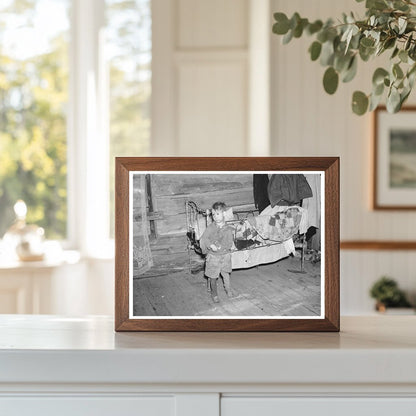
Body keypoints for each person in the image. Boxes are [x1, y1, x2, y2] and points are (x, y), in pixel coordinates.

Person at [199, 202, 234, 303]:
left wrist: (223, 247)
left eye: (217, 214)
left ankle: (228, 289)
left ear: (224, 214)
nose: (215, 216)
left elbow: (229, 242)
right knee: (213, 276)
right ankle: (214, 294)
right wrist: (211, 245)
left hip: (225, 256)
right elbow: (204, 238)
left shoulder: (228, 228)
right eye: (213, 214)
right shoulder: (211, 227)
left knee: (226, 274)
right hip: (213, 257)